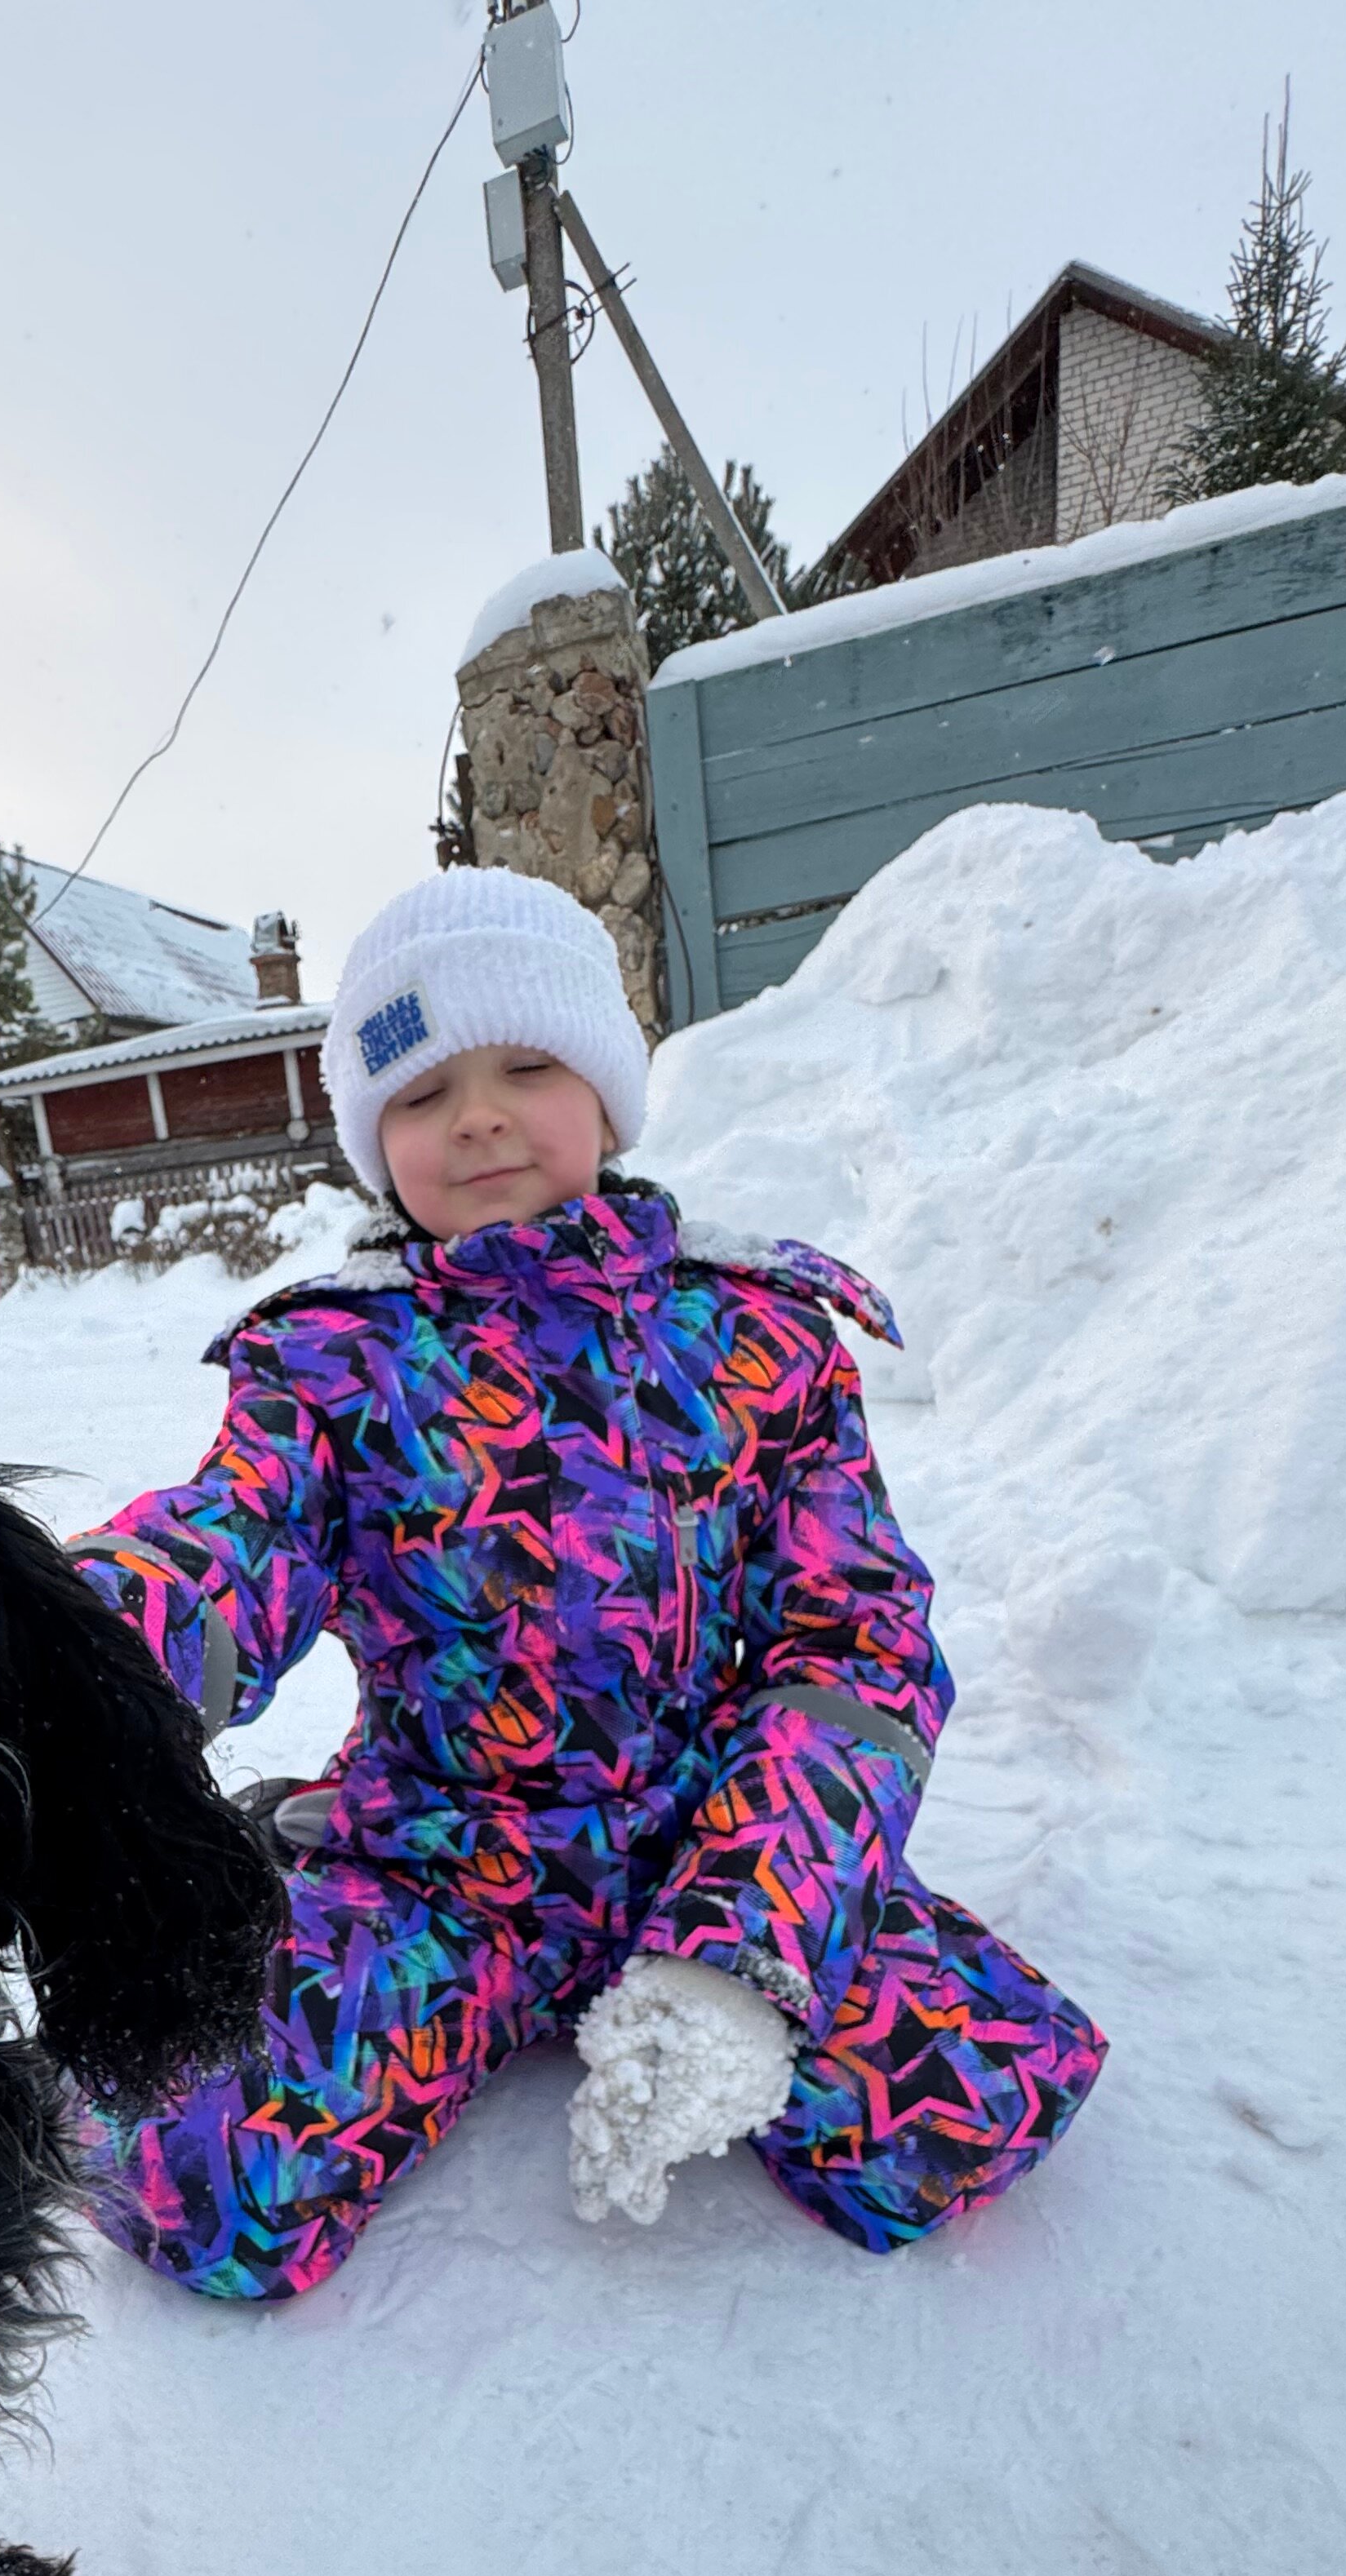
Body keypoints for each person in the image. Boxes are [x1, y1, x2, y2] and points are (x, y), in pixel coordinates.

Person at [68, 867, 1104, 2300]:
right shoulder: (331, 1363)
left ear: (609, 1096)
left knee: (977, 2110)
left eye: (528, 1067)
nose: (477, 1116)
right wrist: (70, 1649)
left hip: (706, 1835)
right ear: (375, 1144)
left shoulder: (759, 1341)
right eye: (421, 1094)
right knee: (187, 2168)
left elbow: (854, 1647)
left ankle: (722, 1947)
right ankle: (296, 1868)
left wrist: (748, 1948)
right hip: (437, 1864)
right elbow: (234, 1542)